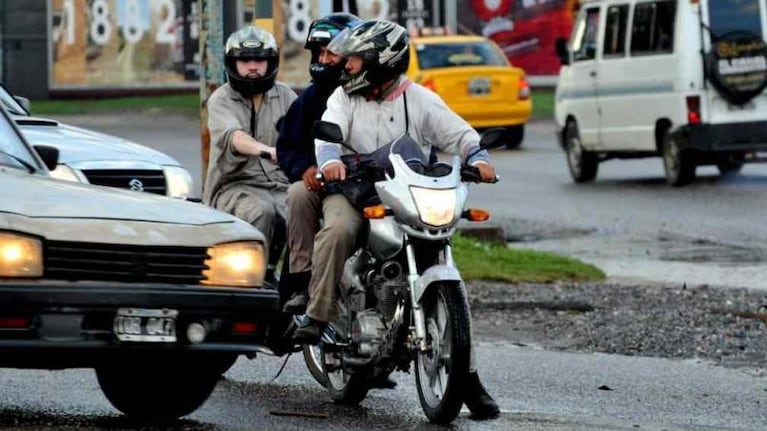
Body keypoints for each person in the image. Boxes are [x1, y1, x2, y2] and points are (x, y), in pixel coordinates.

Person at [292, 19, 500, 419]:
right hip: (354, 192)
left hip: (407, 195)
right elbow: (326, 138)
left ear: (379, 60)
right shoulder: (343, 98)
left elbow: (458, 133)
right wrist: (331, 160)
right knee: (338, 230)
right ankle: (318, 318)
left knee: (448, 273)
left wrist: (478, 156)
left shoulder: (417, 98)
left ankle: (467, 381)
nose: (346, 66)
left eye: (354, 59)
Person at [276, 12, 361, 314]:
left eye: (332, 53)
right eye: (319, 52)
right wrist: (306, 169)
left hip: (377, 187)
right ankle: (302, 284)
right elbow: (287, 147)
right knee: (298, 193)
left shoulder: (383, 93)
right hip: (329, 188)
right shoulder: (311, 99)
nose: (324, 60)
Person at [202, 25, 297, 284]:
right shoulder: (220, 99)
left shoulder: (286, 96)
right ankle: (249, 280)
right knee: (261, 211)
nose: (252, 67)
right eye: (245, 60)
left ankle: (298, 283)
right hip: (234, 187)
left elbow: (305, 134)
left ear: (271, 63)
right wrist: (266, 150)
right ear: (233, 63)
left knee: (307, 212)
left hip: (281, 186)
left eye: (259, 60)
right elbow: (234, 137)